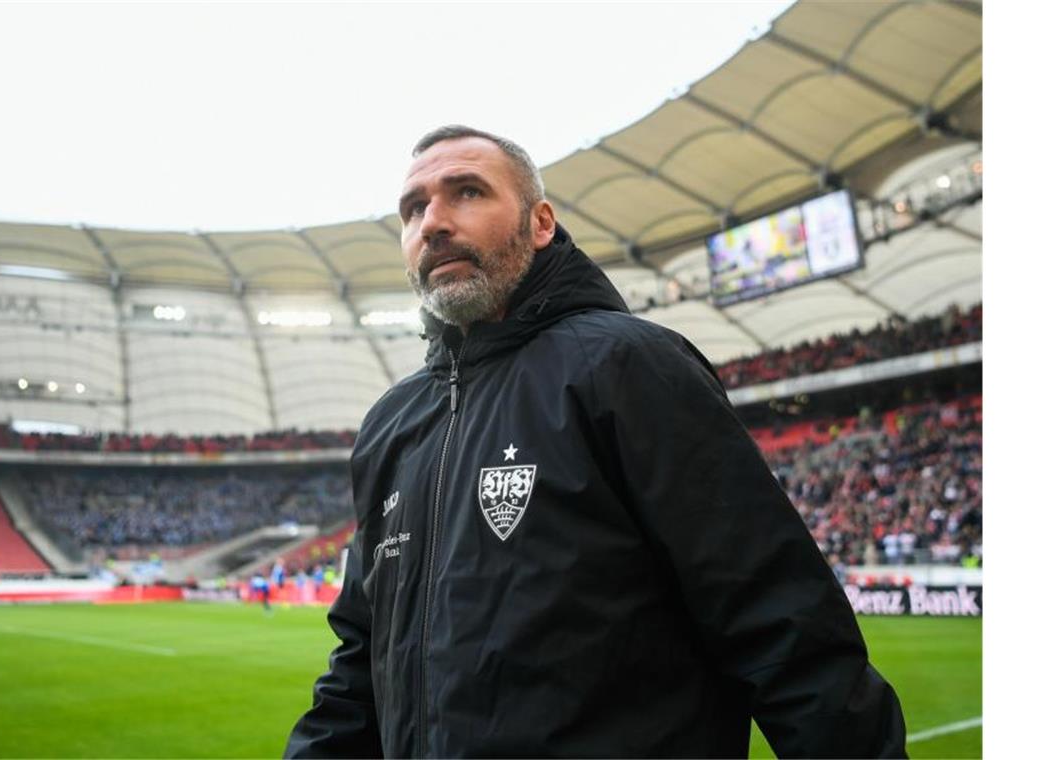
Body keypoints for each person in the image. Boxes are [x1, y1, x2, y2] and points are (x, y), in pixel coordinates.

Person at [285, 126, 907, 758]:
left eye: (467, 192)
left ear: (541, 223)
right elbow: (359, 665)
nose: (434, 223)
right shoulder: (390, 424)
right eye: (414, 209)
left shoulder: (628, 366)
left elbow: (784, 628)